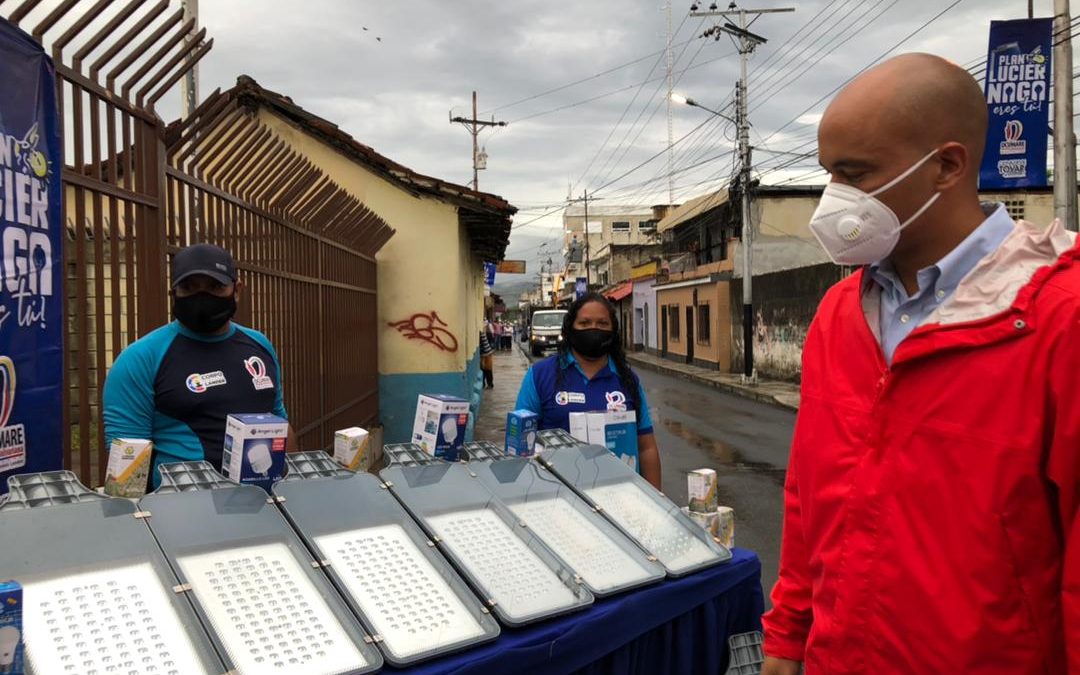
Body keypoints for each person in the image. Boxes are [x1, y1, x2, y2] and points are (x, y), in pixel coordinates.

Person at [762, 53, 1079, 674]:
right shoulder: (837, 315)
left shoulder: (1058, 319)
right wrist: (787, 638)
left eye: (856, 174)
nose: (834, 200)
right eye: (830, 174)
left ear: (947, 166)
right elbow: (808, 501)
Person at [103, 244, 296, 488]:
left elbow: (279, 422)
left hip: (263, 506)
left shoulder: (260, 346)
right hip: (182, 513)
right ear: (173, 292)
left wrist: (291, 491)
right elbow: (126, 466)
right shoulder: (141, 358)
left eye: (215, 287)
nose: (203, 298)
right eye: (189, 288)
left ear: (236, 290)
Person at [514, 292, 661, 488]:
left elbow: (646, 448)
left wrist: (656, 502)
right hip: (557, 496)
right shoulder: (540, 375)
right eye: (584, 323)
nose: (594, 329)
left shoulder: (628, 380)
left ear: (613, 330)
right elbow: (519, 442)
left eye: (602, 324)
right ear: (570, 328)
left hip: (621, 495)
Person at [479, 325, 495, 389]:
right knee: (487, 370)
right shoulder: (482, 332)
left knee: (485, 370)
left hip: (485, 354)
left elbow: (482, 345)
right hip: (487, 353)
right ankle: (489, 384)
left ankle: (488, 384)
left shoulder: (480, 333)